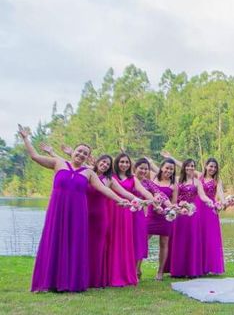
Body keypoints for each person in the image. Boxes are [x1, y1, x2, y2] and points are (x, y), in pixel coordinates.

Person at [18, 125, 127, 293]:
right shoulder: (58, 163)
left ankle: (70, 282)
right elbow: (34, 156)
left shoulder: (89, 173)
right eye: (79, 151)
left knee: (74, 244)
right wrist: (26, 138)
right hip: (57, 211)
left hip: (77, 213)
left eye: (85, 153)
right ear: (74, 151)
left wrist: (120, 200)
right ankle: (49, 282)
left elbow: (104, 189)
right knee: (53, 241)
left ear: (88, 157)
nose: (81, 154)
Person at [106, 153, 155, 287]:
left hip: (128, 212)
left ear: (130, 165)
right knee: (112, 241)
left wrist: (152, 200)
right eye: (122, 162)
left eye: (127, 162)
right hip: (113, 210)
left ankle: (128, 272)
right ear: (117, 163)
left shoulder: (132, 178)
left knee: (127, 242)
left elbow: (144, 192)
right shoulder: (111, 176)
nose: (124, 164)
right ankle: (110, 272)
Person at [169, 159, 214, 278]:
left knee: (193, 240)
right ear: (184, 167)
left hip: (193, 215)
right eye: (188, 166)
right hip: (180, 214)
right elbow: (174, 200)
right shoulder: (178, 180)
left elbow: (203, 196)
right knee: (180, 241)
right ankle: (178, 271)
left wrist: (209, 201)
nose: (190, 168)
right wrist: (177, 207)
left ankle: (192, 271)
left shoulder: (197, 182)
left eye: (193, 166)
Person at [145, 158, 178, 280]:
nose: (168, 171)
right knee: (143, 240)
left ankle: (160, 272)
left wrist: (172, 212)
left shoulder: (174, 184)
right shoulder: (153, 177)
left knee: (164, 243)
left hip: (165, 216)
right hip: (151, 214)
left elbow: (174, 202)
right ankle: (137, 269)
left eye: (171, 169)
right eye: (167, 168)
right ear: (161, 168)